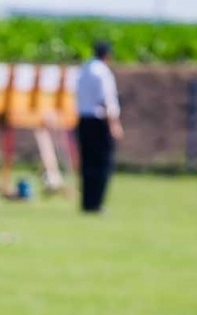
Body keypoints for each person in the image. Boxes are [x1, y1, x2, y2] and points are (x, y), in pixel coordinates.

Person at [75, 40, 123, 214]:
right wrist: (114, 124)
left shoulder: (84, 69)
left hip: (83, 119)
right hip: (99, 121)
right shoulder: (103, 72)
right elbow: (107, 99)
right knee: (102, 164)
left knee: (87, 163)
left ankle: (86, 202)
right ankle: (96, 203)